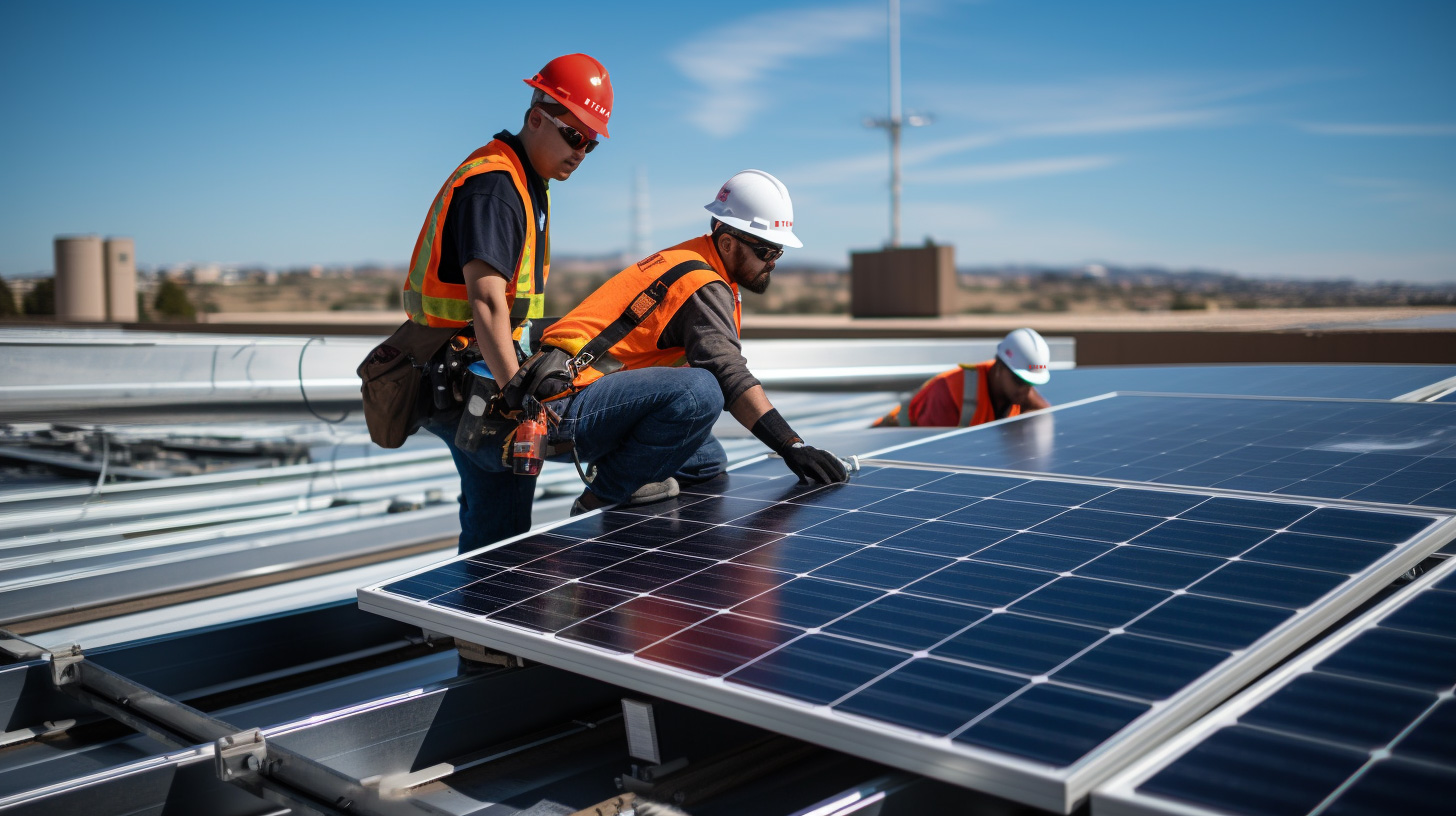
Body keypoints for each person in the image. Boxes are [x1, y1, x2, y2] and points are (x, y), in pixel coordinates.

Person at [523, 169, 850, 514]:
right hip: (562, 408)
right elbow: (728, 374)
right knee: (701, 390)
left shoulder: (696, 260)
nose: (772, 263)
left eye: (778, 252)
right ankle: (598, 500)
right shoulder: (701, 283)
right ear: (726, 242)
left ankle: (620, 465)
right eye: (766, 251)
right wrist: (790, 445)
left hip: (586, 396)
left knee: (706, 460)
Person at [402, 53, 612, 552]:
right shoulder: (496, 185)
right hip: (469, 376)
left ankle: (473, 616)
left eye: (592, 143)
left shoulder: (524, 181)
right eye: (574, 135)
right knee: (500, 530)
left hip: (477, 371)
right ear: (536, 116)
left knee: (491, 517)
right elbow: (488, 305)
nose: (581, 151)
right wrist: (519, 398)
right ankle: (479, 622)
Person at [873, 328, 1052, 428]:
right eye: (1020, 380)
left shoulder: (1017, 391)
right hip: (889, 437)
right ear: (999, 366)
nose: (1026, 390)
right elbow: (930, 454)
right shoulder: (949, 392)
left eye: (1031, 383)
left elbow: (1043, 411)